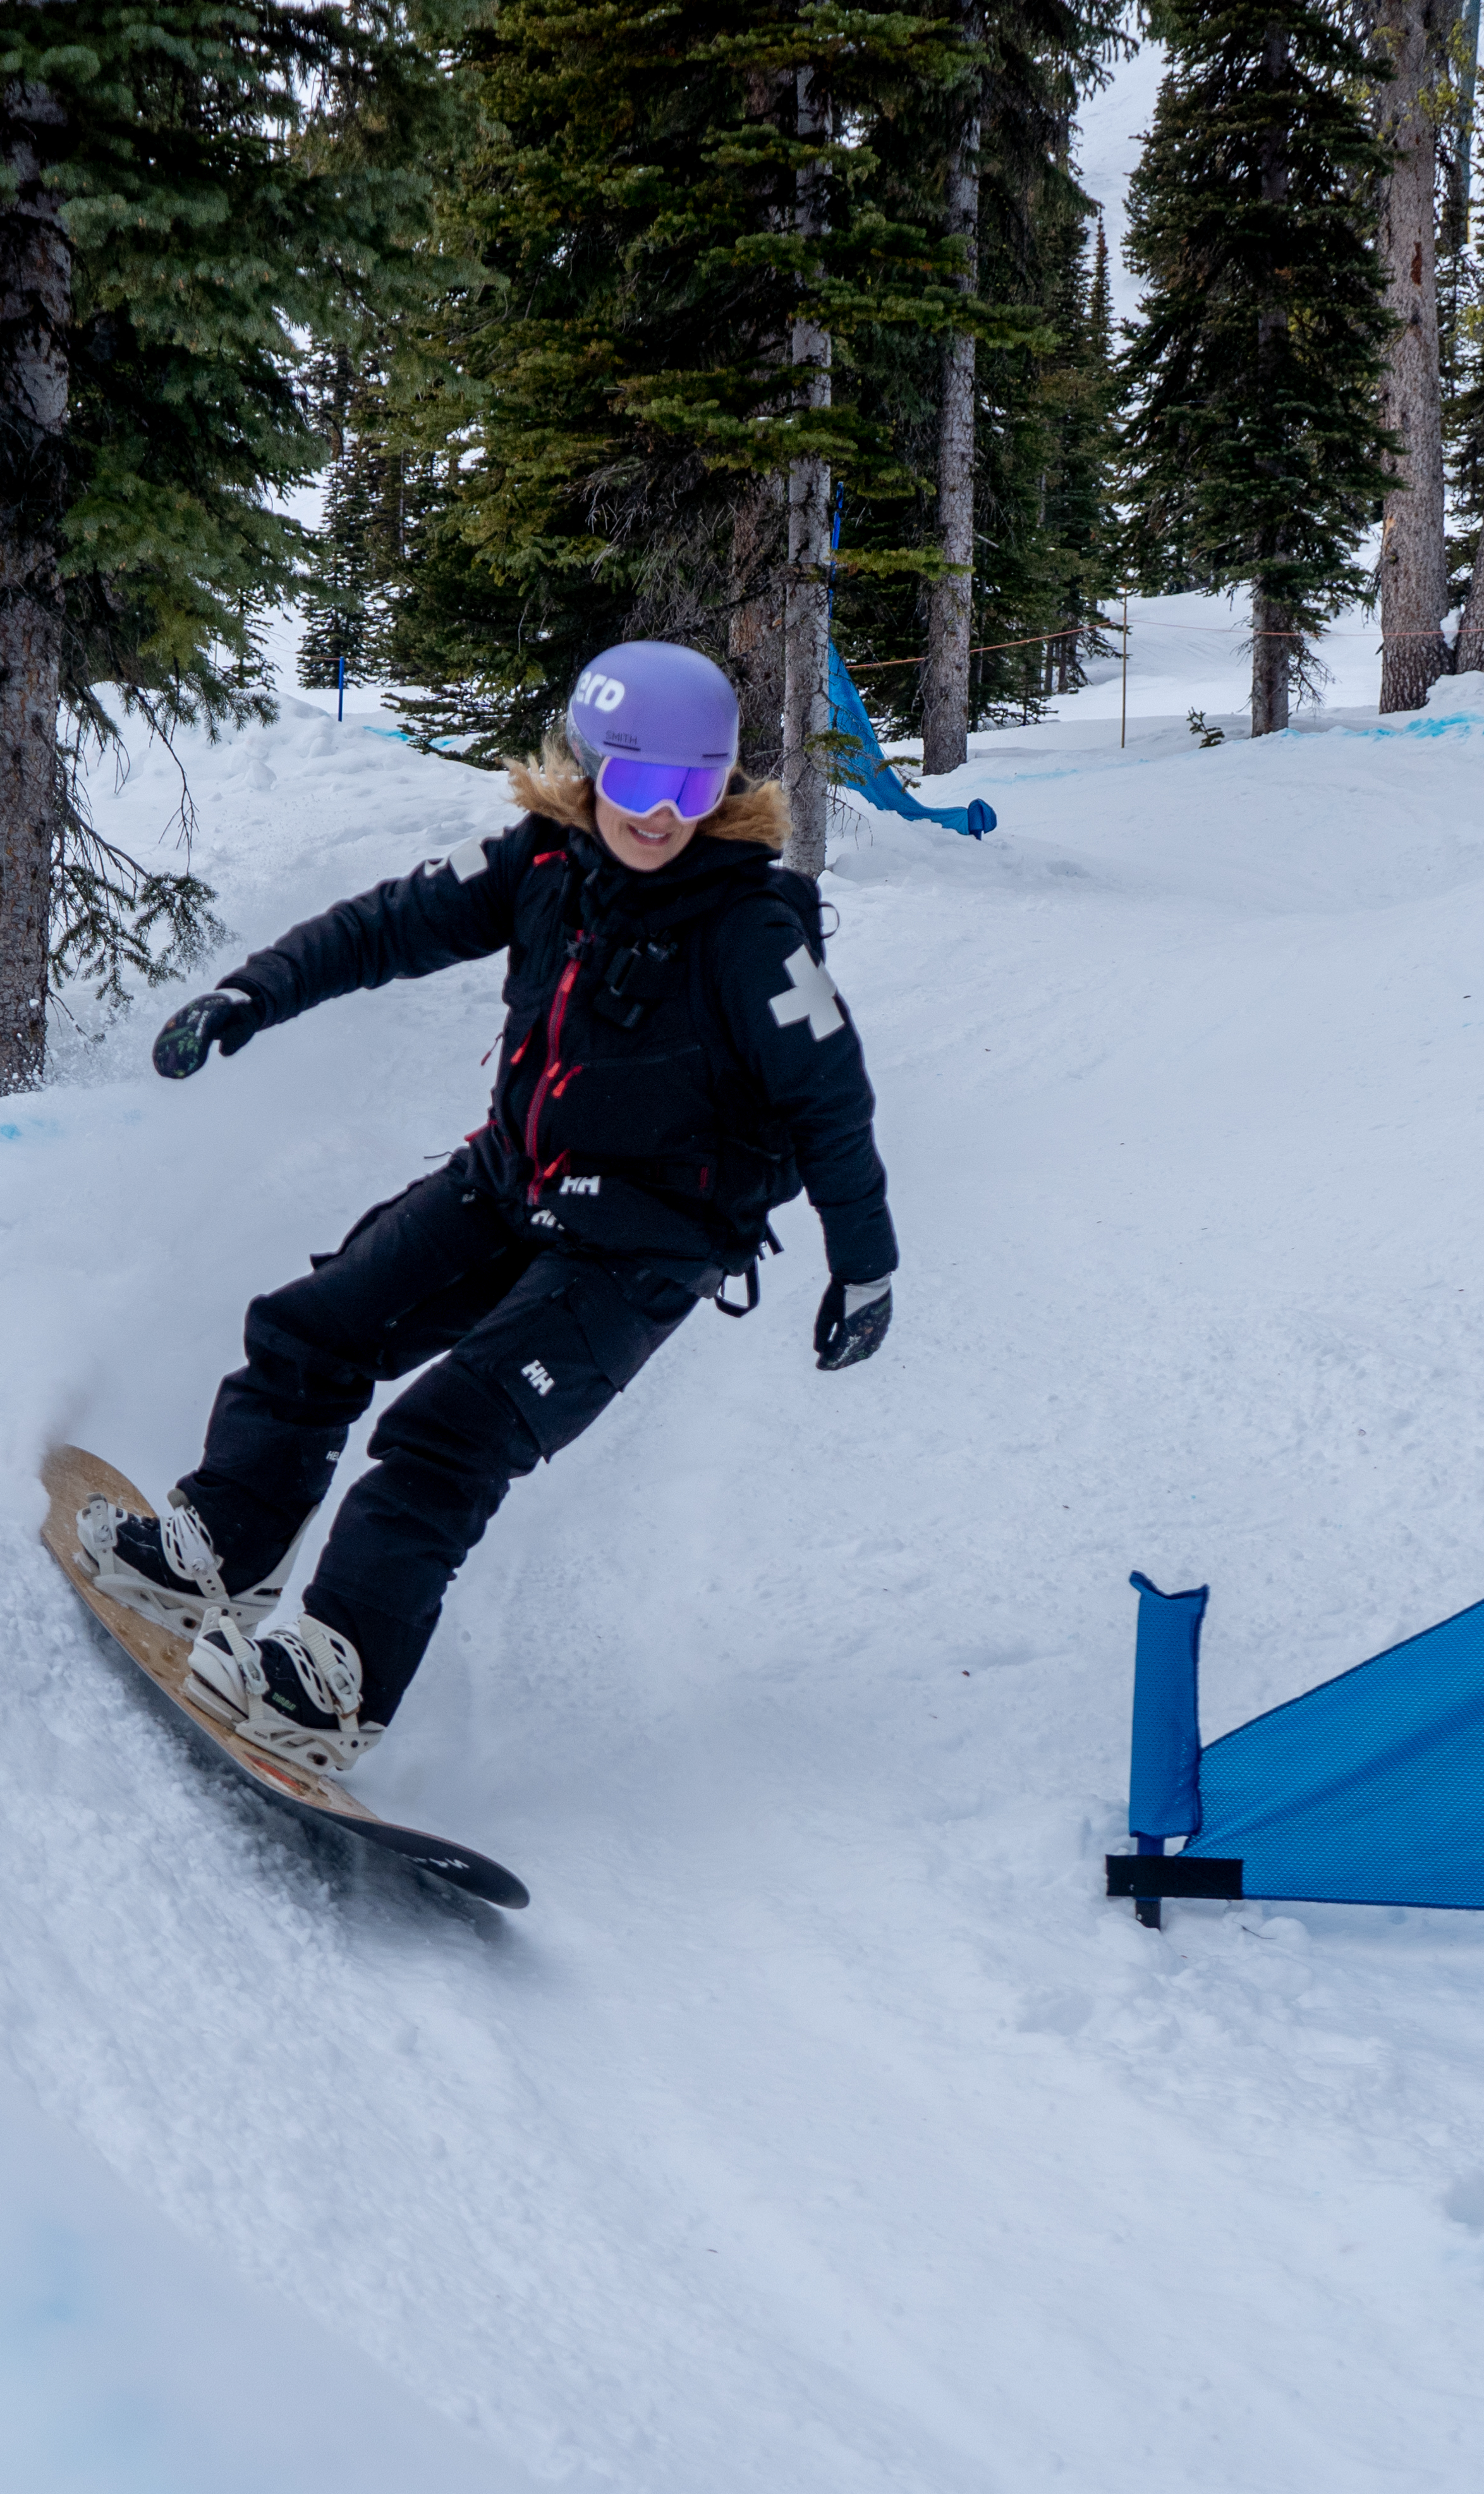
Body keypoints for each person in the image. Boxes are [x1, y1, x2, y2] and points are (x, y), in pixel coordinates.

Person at [77, 640, 897, 1776]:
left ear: (725, 791)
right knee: (316, 1327)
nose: (660, 816)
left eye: (693, 789)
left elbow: (829, 1096)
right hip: (513, 1184)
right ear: (588, 768)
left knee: (446, 1436)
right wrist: (249, 993)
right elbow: (386, 926)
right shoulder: (541, 861)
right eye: (635, 783)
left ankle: (333, 1678)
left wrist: (867, 1265)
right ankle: (227, 1541)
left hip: (644, 1250)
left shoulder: (751, 931)